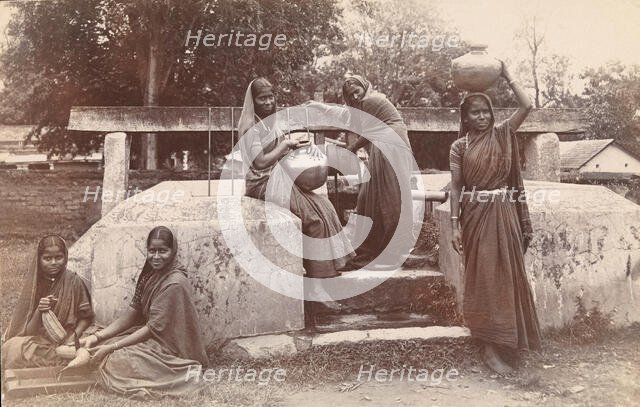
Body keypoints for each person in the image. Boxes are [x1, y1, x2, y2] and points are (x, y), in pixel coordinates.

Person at [449, 62, 542, 374]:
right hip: (475, 216)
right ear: (466, 117)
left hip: (504, 213)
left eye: (485, 111)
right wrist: (454, 225)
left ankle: (510, 343)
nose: (482, 117)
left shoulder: (503, 134)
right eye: (475, 113)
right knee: (486, 280)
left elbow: (527, 105)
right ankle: (490, 349)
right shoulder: (459, 146)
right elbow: (457, 186)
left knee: (509, 276)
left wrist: (507, 75)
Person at [238, 77, 353, 278]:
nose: (267, 102)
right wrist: (285, 145)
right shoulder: (251, 127)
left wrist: (308, 148)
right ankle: (320, 271)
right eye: (262, 98)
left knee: (325, 206)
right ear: (253, 101)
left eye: (271, 97)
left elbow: (283, 156)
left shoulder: (270, 124)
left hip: (279, 180)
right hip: (262, 184)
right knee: (312, 216)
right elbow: (261, 163)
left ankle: (333, 265)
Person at [81, 226, 208, 398]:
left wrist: (111, 347)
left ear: (173, 251)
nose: (156, 257)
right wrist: (98, 337)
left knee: (115, 359)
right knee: (98, 344)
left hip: (170, 347)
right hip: (151, 338)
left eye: (162, 251)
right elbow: (133, 313)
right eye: (152, 251)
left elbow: (152, 329)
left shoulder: (175, 284)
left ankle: (183, 375)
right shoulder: (150, 275)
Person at [336, 75, 416, 271]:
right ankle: (378, 245)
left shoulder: (371, 100)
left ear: (364, 88)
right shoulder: (367, 102)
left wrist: (352, 148)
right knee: (372, 195)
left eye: (357, 91)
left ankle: (394, 251)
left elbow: (368, 133)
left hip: (390, 144)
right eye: (351, 94)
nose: (355, 97)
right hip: (385, 144)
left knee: (391, 196)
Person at [2, 235, 94, 368]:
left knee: (90, 344)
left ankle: (67, 358)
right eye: (47, 258)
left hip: (69, 338)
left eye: (58, 257)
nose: (53, 262)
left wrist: (73, 336)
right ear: (39, 259)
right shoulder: (34, 286)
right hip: (40, 340)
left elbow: (86, 317)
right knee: (11, 347)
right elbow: (28, 331)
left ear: (65, 257)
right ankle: (63, 360)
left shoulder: (73, 281)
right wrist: (40, 310)